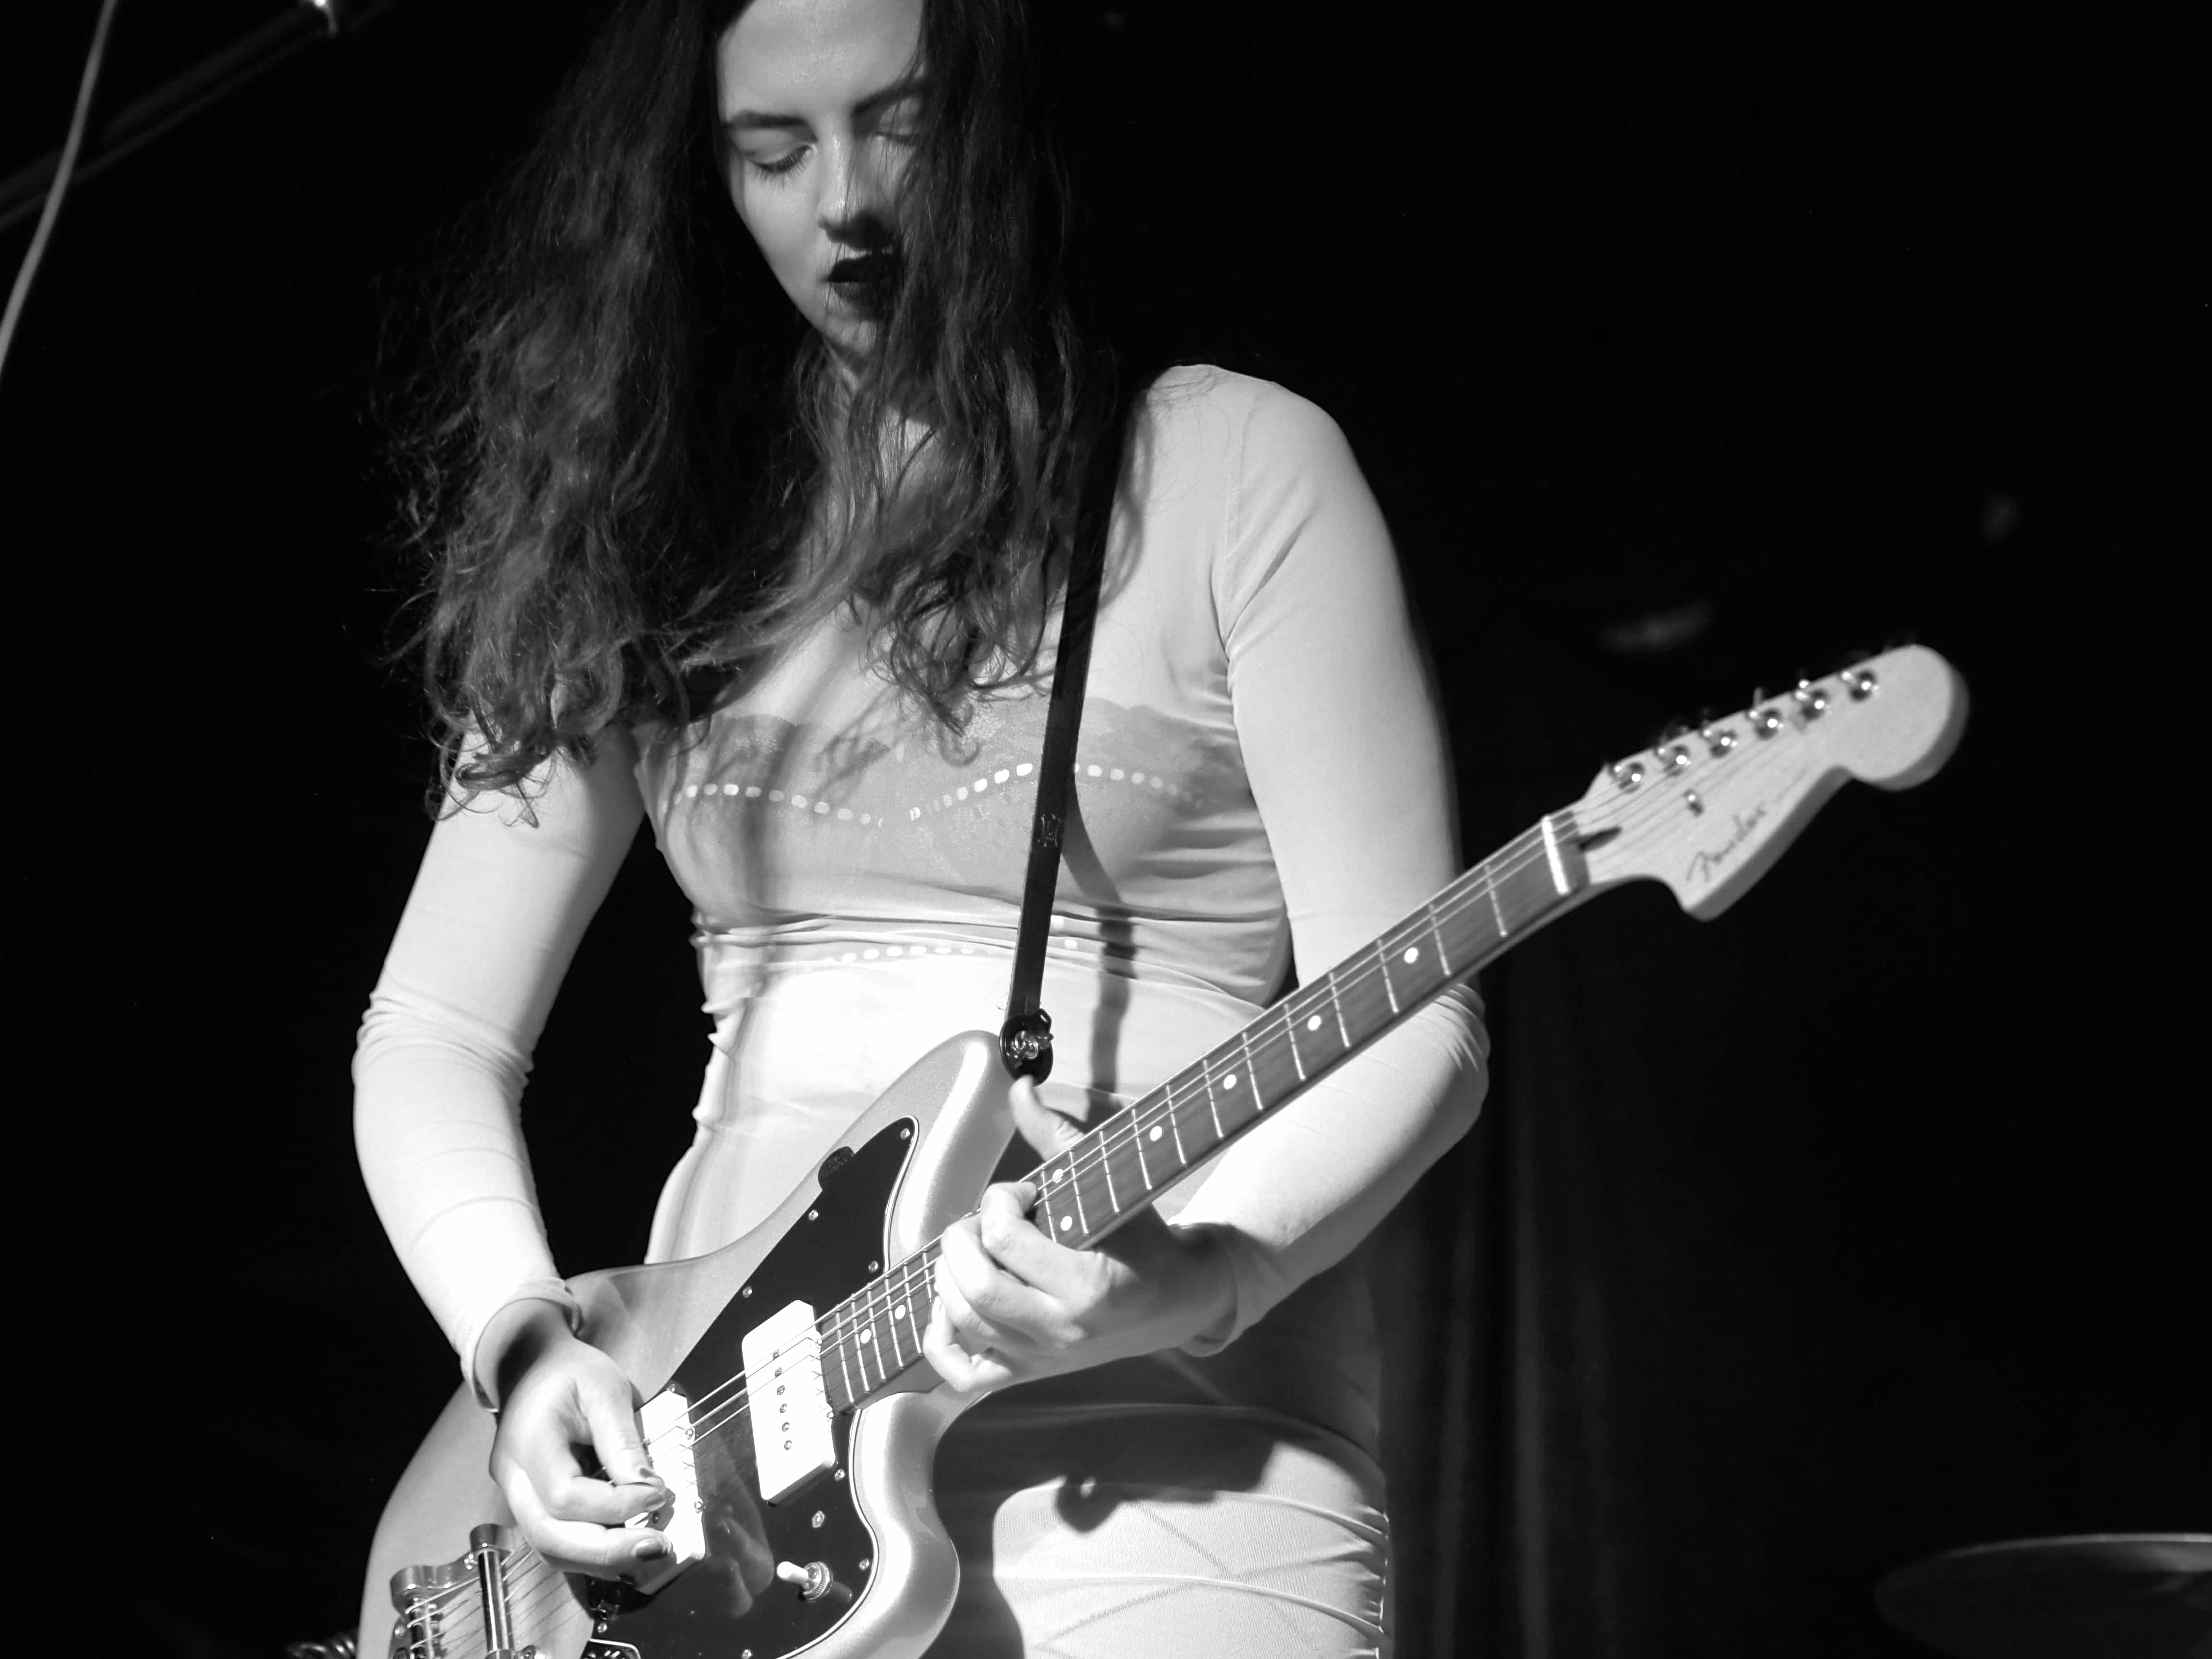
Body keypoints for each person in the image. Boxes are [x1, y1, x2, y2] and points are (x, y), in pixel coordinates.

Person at [353, 0, 1487, 1651]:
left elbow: (1420, 1011)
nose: (848, 205)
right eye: (773, 151)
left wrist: (1197, 1277)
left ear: (1009, 116)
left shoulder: (1236, 467)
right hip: (729, 1480)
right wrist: (519, 1340)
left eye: (903, 125)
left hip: (1165, 1433)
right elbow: (433, 1034)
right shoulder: (650, 502)